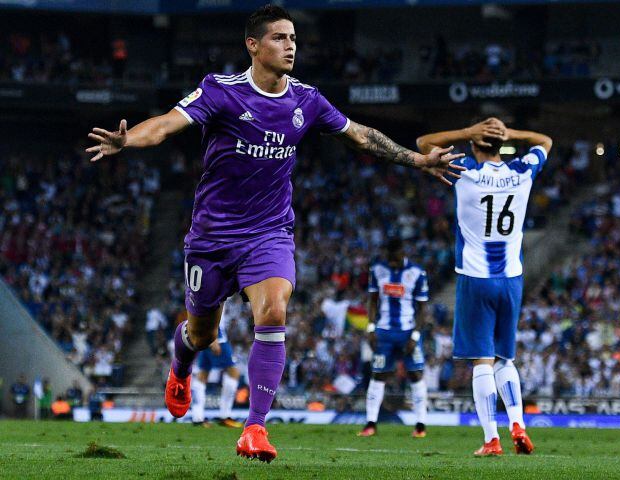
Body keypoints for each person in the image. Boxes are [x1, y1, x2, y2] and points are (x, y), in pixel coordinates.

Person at [86, 4, 462, 463]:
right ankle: (180, 366)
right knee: (202, 333)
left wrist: (418, 160)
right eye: (280, 38)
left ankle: (255, 428)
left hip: (269, 232)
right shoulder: (220, 92)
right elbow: (166, 125)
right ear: (253, 45)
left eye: (294, 39)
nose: (291, 46)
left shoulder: (307, 100)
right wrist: (128, 140)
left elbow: (360, 135)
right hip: (212, 237)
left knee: (274, 312)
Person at [416, 118, 552, 456]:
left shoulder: (465, 171)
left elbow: (423, 143)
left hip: (475, 279)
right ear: (501, 145)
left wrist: (465, 131)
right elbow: (545, 141)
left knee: (482, 361)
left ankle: (492, 438)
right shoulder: (522, 171)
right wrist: (514, 133)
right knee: (505, 358)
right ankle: (518, 423)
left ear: (477, 143)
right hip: (511, 279)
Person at [358, 237, 430, 438]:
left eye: (395, 257)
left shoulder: (417, 273)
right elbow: (372, 301)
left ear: (402, 252)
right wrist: (371, 328)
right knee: (378, 375)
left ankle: (420, 425)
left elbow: (423, 308)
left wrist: (415, 335)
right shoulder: (377, 270)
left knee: (415, 375)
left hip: (408, 331)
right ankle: (370, 423)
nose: (392, 261)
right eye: (388, 257)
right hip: (384, 332)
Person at [191, 298, 242, 428]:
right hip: (216, 336)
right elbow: (210, 310)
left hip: (207, 335)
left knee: (202, 376)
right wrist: (214, 338)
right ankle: (225, 415)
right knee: (234, 373)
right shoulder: (217, 286)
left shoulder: (206, 286)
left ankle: (197, 418)